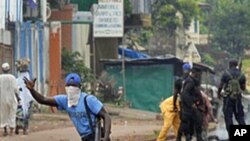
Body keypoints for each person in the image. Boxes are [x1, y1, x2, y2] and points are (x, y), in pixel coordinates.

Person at [23, 73, 111, 141]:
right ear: (65, 87)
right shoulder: (64, 100)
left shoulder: (88, 100)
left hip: (96, 135)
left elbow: (106, 116)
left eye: (74, 86)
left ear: (80, 87)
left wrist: (106, 137)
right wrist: (32, 90)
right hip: (84, 137)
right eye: (69, 86)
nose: (71, 88)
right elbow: (43, 100)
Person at [217, 59, 246, 138]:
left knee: (228, 118)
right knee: (240, 118)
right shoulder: (241, 75)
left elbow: (220, 86)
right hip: (238, 100)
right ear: (236, 65)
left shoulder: (226, 74)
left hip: (228, 100)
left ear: (229, 65)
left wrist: (218, 94)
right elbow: (243, 88)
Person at [176, 67, 203, 141]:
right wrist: (191, 104)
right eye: (198, 73)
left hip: (190, 105)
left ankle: (196, 137)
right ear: (195, 73)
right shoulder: (190, 81)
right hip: (188, 106)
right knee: (185, 122)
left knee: (196, 120)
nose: (199, 75)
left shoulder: (192, 81)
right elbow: (185, 94)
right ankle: (179, 137)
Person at [0, 62, 20, 136]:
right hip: (12, 98)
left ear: (2, 69)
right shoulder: (12, 77)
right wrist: (18, 98)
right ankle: (11, 131)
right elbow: (16, 89)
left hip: (2, 99)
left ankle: (5, 130)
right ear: (9, 69)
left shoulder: (0, 77)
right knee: (12, 114)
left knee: (3, 114)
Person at [15, 59, 34, 135]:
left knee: (18, 114)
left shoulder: (17, 80)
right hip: (27, 100)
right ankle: (24, 129)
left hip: (20, 100)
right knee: (26, 115)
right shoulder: (29, 81)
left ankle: (17, 127)